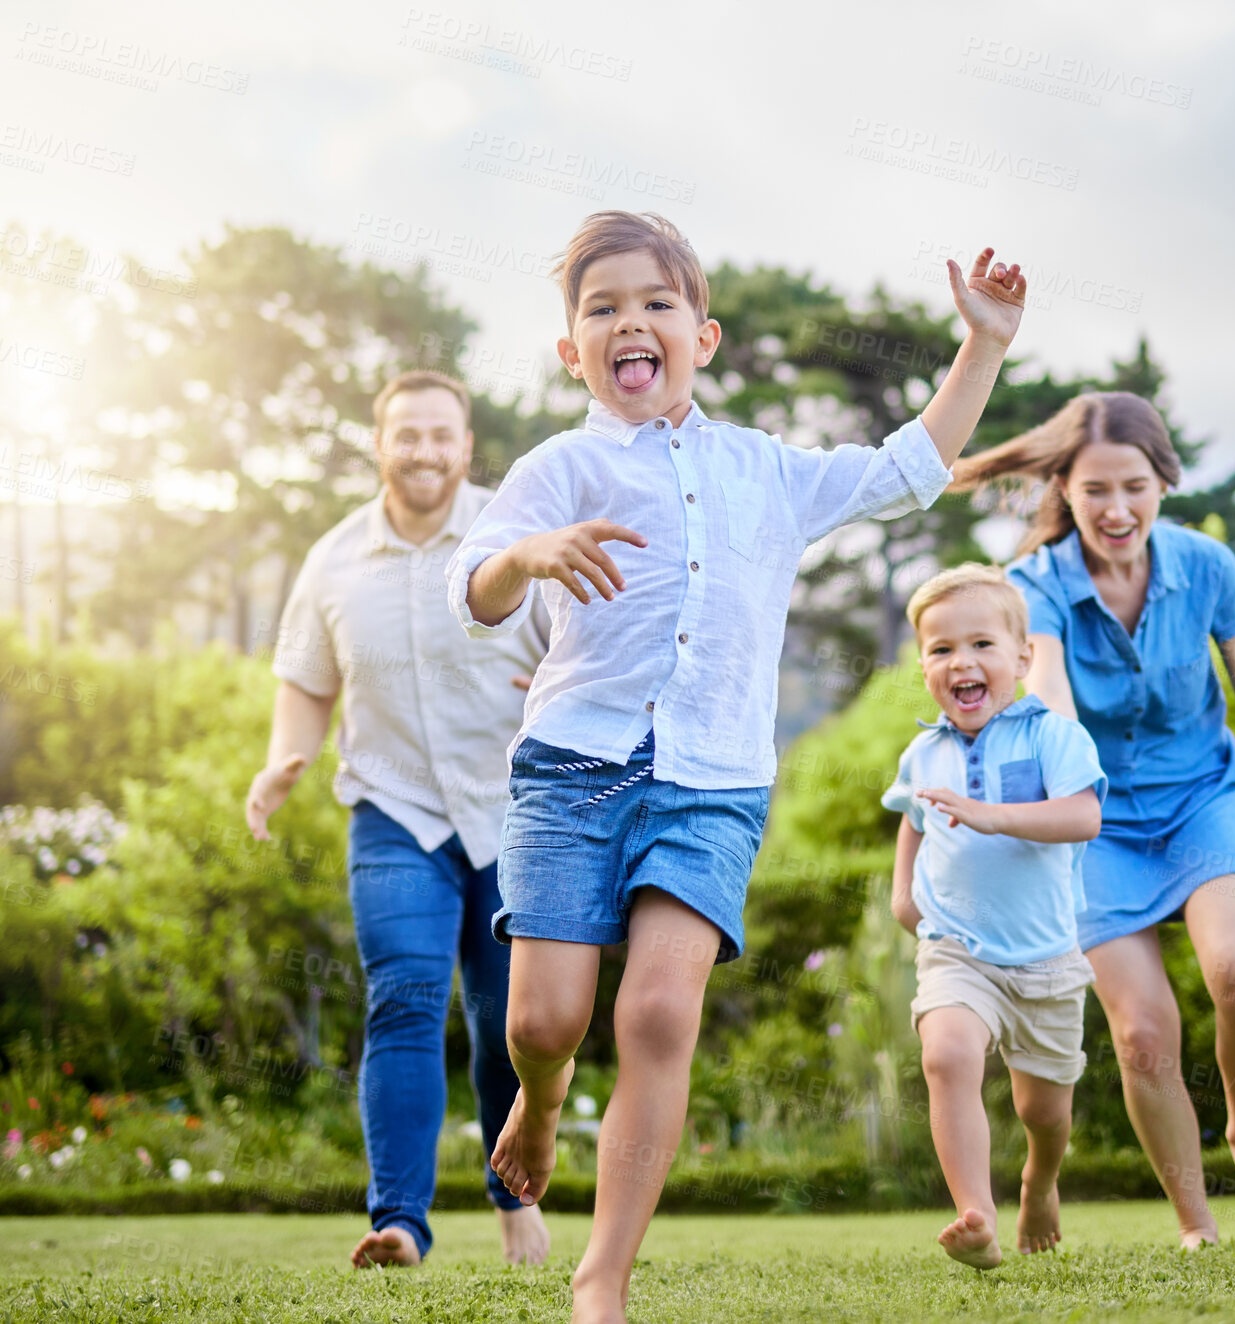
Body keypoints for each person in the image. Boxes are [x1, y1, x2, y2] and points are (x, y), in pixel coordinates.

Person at [445, 210, 1027, 1322]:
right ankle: (537, 1092)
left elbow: (909, 470)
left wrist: (985, 344)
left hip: (712, 779)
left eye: (656, 303)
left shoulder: (766, 470)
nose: (632, 322)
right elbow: (476, 588)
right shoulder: (559, 466)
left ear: (701, 337)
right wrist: (527, 552)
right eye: (603, 307)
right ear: (573, 352)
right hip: (571, 769)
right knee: (542, 1021)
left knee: (661, 1014)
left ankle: (601, 1275)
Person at [949, 391, 1235, 1247]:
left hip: (1201, 804)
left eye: (1136, 488)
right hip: (1097, 825)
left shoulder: (1205, 566)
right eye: (1096, 490)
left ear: (1163, 483)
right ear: (1064, 491)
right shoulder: (1031, 590)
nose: (1117, 510)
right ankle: (1196, 1226)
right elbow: (1053, 707)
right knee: (1143, 1033)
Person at [245, 370, 553, 1269]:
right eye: (406, 434)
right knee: (404, 1001)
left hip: (518, 813)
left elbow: (582, 642)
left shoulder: (514, 535)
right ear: (379, 444)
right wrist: (280, 763)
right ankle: (399, 1223)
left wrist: (572, 690)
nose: (423, 450)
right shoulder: (334, 559)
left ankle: (513, 1194)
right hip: (393, 812)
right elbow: (305, 683)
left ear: (465, 445)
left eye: (440, 435)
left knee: (511, 1019)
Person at [884, 564, 1107, 1266]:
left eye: (981, 644)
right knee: (945, 1055)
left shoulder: (1054, 736)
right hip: (957, 946)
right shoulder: (924, 750)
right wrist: (902, 892)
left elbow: (1083, 816)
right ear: (923, 666)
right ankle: (974, 1214)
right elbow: (913, 818)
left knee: (1044, 1113)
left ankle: (1039, 1179)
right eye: (941, 649)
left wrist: (992, 815)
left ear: (1021, 657)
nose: (962, 662)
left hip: (1044, 959)